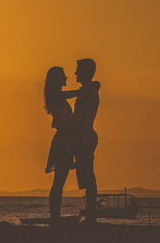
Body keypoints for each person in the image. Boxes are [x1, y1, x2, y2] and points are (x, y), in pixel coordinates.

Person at [43, 66, 78, 223]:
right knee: (59, 182)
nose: (66, 78)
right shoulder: (56, 96)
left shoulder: (57, 97)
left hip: (65, 140)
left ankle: (55, 216)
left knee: (59, 181)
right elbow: (69, 94)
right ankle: (55, 217)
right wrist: (83, 91)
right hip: (62, 141)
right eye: (63, 76)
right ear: (57, 80)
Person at [72, 58, 100, 221]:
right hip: (81, 138)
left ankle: (91, 215)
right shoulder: (87, 90)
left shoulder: (89, 92)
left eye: (79, 70)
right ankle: (91, 215)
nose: (75, 73)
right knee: (87, 176)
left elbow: (84, 118)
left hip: (85, 139)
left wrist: (69, 123)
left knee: (88, 177)